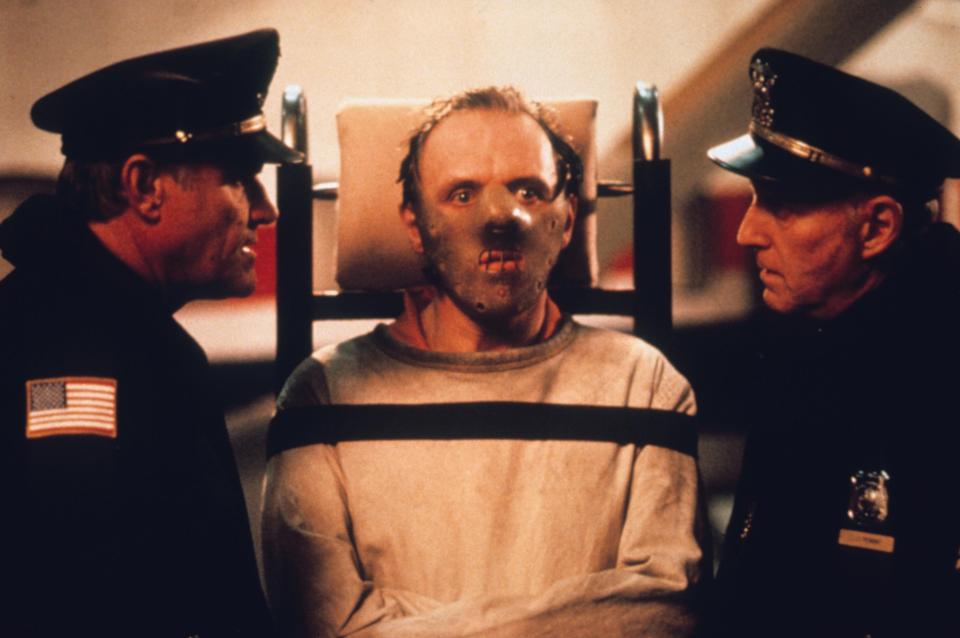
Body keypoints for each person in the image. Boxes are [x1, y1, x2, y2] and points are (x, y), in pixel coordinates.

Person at [261, 86, 707, 637]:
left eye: (528, 190)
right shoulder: (325, 395)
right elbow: (325, 626)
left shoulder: (642, 384)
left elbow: (666, 608)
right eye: (462, 193)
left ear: (567, 218)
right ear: (414, 224)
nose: (501, 216)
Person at [0, 29, 301, 636]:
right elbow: (87, 598)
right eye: (239, 178)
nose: (265, 210)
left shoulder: (113, 324)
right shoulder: (70, 348)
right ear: (144, 187)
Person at [706, 48, 960, 637]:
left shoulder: (938, 368)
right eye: (753, 198)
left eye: (781, 205)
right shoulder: (806, 339)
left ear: (877, 228)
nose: (746, 232)